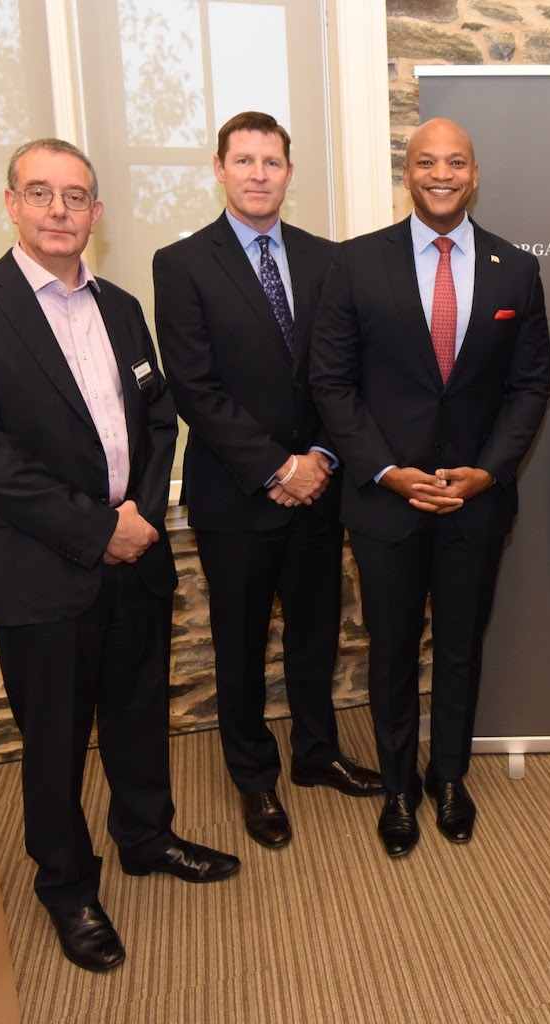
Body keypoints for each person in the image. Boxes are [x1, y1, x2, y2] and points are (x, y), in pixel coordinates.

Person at [0, 139, 239, 974]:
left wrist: (137, 515)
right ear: (11, 204)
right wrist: (99, 529)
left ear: (97, 215)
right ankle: (66, 887)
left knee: (138, 713)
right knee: (54, 741)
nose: (59, 211)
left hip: (136, 555)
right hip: (41, 565)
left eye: (76, 197)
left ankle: (146, 836)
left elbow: (159, 415)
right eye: (41, 193)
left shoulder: (124, 306)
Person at [310, 118, 550, 858]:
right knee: (389, 650)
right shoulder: (353, 265)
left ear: (474, 174)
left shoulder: (516, 268)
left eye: (455, 162)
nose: (441, 173)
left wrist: (489, 470)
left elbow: (530, 386)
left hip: (474, 502)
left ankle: (449, 776)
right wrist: (385, 469)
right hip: (387, 501)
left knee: (459, 648)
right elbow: (332, 384)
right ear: (406, 173)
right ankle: (397, 787)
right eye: (426, 161)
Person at [153, 111, 381, 851]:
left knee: (316, 635)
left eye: (271, 161)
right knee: (241, 643)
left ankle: (316, 755)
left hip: (320, 486)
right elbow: (195, 387)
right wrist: (275, 467)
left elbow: (341, 374)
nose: (258, 173)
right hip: (237, 497)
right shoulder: (182, 264)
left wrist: (318, 458)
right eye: (244, 160)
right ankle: (254, 778)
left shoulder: (327, 260)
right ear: (219, 168)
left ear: (289, 171)